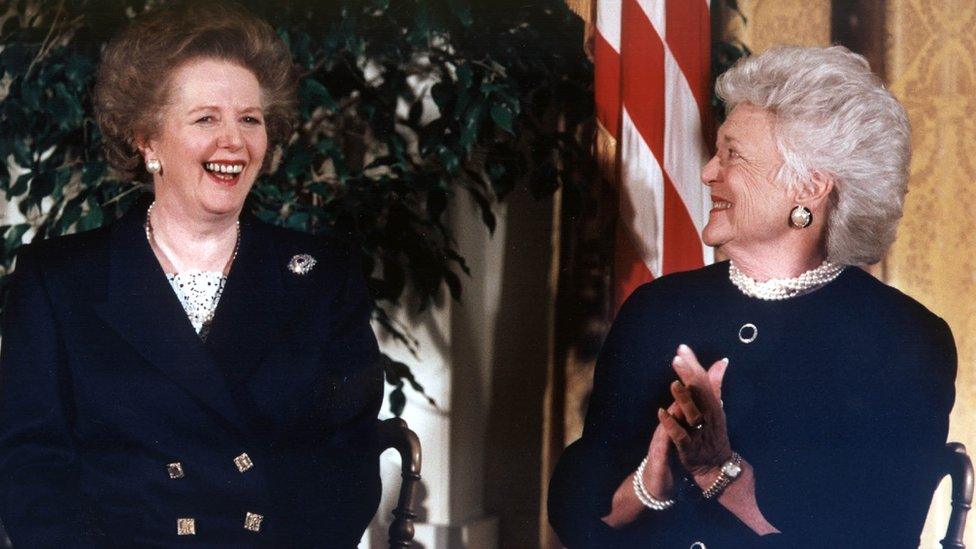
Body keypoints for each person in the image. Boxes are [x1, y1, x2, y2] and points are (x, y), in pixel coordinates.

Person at [0, 2, 382, 546]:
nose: (234, 141)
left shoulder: (322, 276)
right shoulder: (59, 278)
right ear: (148, 141)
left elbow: (346, 461)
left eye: (249, 119)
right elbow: (33, 467)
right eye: (206, 118)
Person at [548, 45, 957, 548]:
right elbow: (575, 506)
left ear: (808, 187)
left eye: (732, 155)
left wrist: (721, 474)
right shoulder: (657, 310)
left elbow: (879, 533)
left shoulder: (902, 339)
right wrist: (648, 484)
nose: (707, 172)